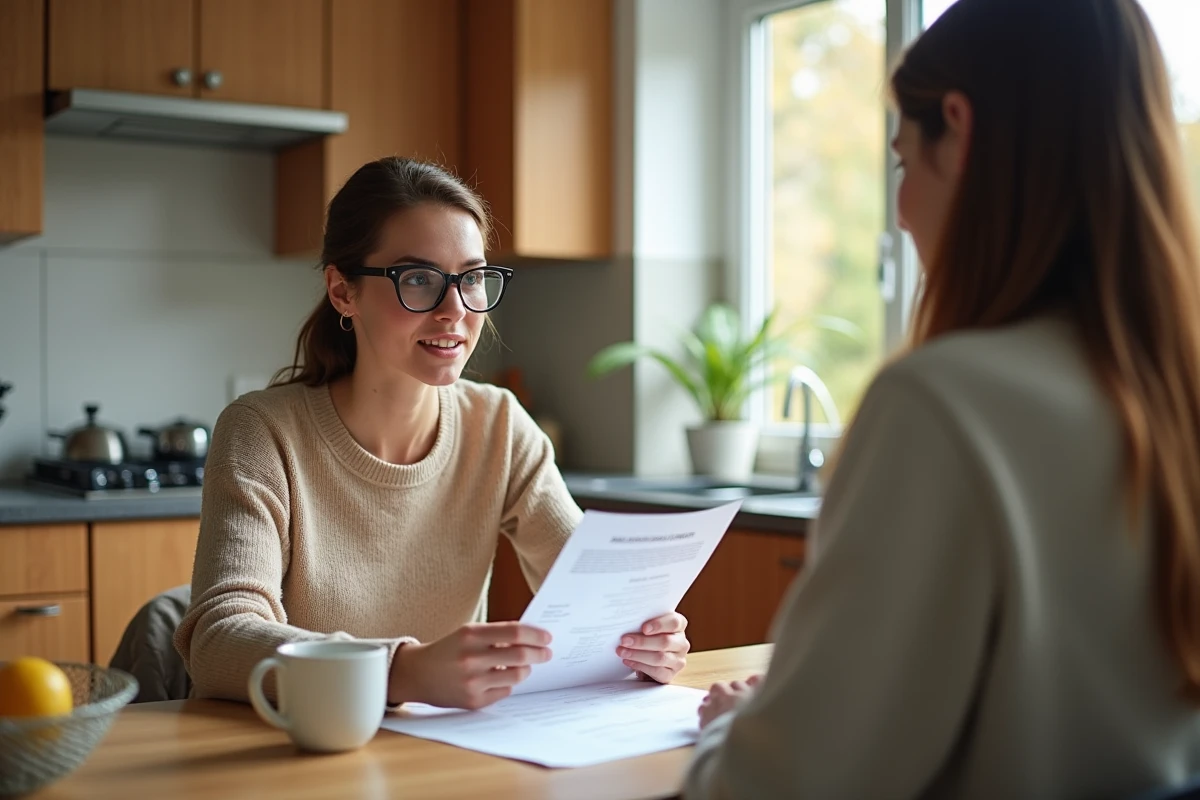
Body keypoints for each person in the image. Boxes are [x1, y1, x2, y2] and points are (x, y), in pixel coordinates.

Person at [684, 0, 1200, 797]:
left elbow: (788, 785)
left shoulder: (942, 405)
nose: (900, 210)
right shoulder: (1173, 397)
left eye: (901, 162)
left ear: (957, 130)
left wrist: (728, 736)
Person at [174, 157, 690, 711]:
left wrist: (643, 638)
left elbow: (591, 592)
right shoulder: (262, 432)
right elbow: (218, 637)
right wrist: (402, 671)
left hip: (448, 756)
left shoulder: (499, 425)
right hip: (303, 753)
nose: (455, 310)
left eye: (470, 278)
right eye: (417, 279)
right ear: (343, 291)